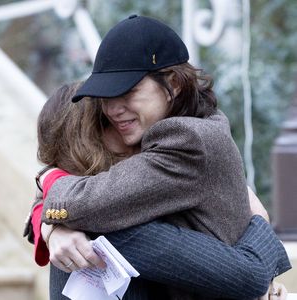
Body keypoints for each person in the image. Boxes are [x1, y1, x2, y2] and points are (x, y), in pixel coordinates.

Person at [27, 15, 291, 299]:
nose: (113, 110)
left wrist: (50, 183)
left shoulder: (185, 138)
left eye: (127, 91)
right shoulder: (201, 124)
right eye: (106, 97)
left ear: (174, 83)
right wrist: (52, 224)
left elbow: (88, 202)